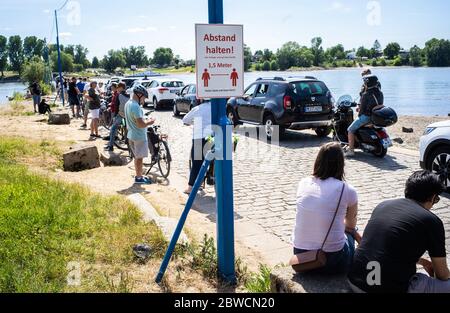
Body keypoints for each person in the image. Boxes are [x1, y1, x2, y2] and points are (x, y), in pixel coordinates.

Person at [348, 171, 449, 293]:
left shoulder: (383, 205)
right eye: (436, 199)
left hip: (354, 280)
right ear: (432, 197)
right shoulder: (432, 221)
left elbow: (383, 248)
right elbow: (442, 275)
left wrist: (421, 261)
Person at [292, 142, 362, 274]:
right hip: (332, 260)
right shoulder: (347, 190)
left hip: (302, 256)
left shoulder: (303, 183)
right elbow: (351, 226)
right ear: (341, 164)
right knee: (351, 231)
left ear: (318, 161)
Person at [345, 74, 384, 157]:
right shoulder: (380, 93)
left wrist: (359, 113)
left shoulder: (366, 94)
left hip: (367, 117)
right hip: (376, 116)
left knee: (350, 130)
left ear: (367, 83)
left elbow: (362, 110)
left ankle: (351, 150)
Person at [124, 84, 155, 184]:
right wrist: (150, 121)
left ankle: (139, 175)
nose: (144, 100)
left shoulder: (128, 103)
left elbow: (133, 119)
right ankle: (138, 178)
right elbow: (141, 124)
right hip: (139, 136)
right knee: (139, 158)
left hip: (131, 134)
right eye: (144, 97)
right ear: (139, 95)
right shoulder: (135, 106)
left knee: (136, 157)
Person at [182, 101, 213, 194]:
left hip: (199, 138)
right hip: (212, 138)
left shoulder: (197, 109)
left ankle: (191, 187)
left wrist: (192, 122)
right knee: (215, 161)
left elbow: (185, 120)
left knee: (196, 163)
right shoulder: (216, 107)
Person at [105, 83, 120, 151]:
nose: (111, 88)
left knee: (113, 127)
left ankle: (112, 142)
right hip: (113, 110)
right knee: (113, 126)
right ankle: (112, 139)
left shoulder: (117, 94)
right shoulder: (114, 93)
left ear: (115, 87)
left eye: (112, 87)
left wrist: (111, 106)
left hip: (115, 111)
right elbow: (114, 102)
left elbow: (116, 103)